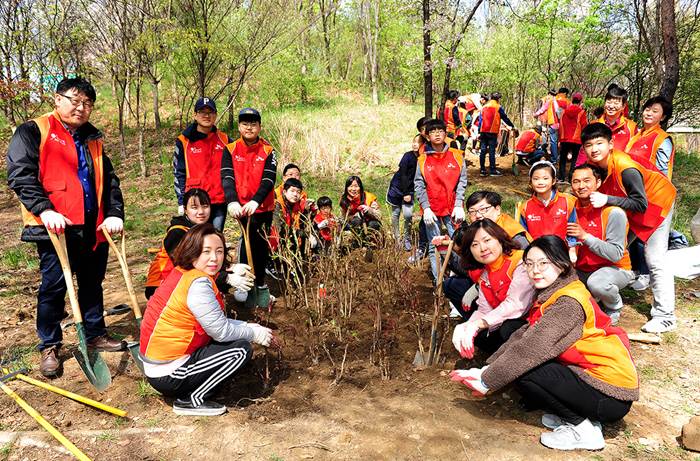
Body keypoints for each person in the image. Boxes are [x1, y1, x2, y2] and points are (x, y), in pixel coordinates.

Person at [451, 235, 638, 451]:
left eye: (543, 263)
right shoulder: (555, 292)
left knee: (524, 369)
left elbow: (530, 349)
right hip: (596, 384)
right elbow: (524, 335)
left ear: (562, 262)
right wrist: (488, 368)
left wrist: (487, 380)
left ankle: (583, 429)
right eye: (529, 264)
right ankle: (574, 416)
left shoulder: (568, 302)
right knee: (517, 353)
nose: (535, 270)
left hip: (610, 395)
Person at [7, 77, 126, 377]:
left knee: (91, 282)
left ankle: (95, 333)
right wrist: (44, 209)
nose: (81, 108)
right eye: (75, 100)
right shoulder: (34, 130)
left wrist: (114, 213)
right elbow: (21, 174)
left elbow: (109, 181)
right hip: (55, 228)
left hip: (92, 226)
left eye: (87, 103)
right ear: (57, 99)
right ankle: (50, 344)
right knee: (54, 287)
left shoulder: (93, 139)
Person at [140, 224, 267, 416]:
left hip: (160, 363)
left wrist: (248, 326)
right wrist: (253, 332)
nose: (214, 258)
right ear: (192, 252)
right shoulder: (198, 284)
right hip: (168, 373)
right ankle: (191, 400)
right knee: (240, 350)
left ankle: (199, 386)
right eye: (206, 251)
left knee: (233, 339)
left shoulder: (184, 273)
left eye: (219, 251)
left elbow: (215, 323)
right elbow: (221, 331)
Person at [582, 123, 677, 333]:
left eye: (599, 143)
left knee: (654, 257)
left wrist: (607, 199)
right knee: (614, 246)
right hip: (628, 206)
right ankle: (602, 291)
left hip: (656, 203)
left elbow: (641, 204)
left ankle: (665, 315)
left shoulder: (625, 167)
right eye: (589, 145)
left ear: (611, 144)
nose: (594, 149)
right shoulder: (594, 164)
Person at [451, 219, 535, 354]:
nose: (482, 248)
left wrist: (478, 324)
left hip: (534, 322)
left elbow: (516, 304)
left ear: (500, 238)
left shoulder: (520, 262)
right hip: (509, 319)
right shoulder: (486, 273)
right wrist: (466, 327)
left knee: (509, 328)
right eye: (475, 244)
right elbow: (484, 310)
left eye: (487, 240)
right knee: (478, 333)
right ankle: (497, 359)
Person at [222, 108, 277, 308]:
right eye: (245, 123)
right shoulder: (230, 149)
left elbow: (269, 179)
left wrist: (256, 201)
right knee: (245, 244)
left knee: (261, 246)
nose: (249, 127)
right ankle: (244, 286)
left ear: (259, 127)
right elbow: (227, 177)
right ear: (239, 126)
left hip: (262, 207)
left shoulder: (268, 150)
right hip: (240, 207)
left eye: (253, 124)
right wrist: (232, 201)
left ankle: (260, 285)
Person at [567, 164, 634, 324]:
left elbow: (615, 254)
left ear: (598, 183)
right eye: (576, 181)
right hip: (582, 269)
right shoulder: (571, 208)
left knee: (597, 283)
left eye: (586, 181)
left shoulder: (613, 212)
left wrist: (585, 236)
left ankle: (613, 306)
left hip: (615, 268)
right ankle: (594, 297)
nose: (581, 186)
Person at [624, 96, 675, 291]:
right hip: (635, 198)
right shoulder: (637, 135)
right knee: (624, 240)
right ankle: (635, 273)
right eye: (647, 108)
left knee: (655, 255)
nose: (648, 113)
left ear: (662, 117)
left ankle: (663, 310)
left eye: (655, 111)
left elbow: (661, 174)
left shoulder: (662, 139)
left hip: (655, 200)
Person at [414, 118, 468, 281]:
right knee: (434, 245)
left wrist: (459, 204)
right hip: (432, 209)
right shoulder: (422, 160)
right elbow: (419, 184)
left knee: (460, 244)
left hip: (452, 209)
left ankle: (461, 277)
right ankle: (440, 281)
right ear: (427, 136)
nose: (437, 135)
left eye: (440, 131)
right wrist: (426, 207)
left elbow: (462, 181)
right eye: (432, 132)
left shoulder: (457, 156)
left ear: (446, 134)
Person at [173, 97, 231, 231]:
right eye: (202, 112)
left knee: (215, 236)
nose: (206, 115)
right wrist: (182, 201)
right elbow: (178, 172)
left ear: (215, 115)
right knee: (196, 241)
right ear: (195, 115)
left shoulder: (225, 140)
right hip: (195, 201)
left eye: (210, 112)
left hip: (218, 201)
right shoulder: (183, 141)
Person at [145, 188, 212, 299]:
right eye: (194, 207)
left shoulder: (206, 230)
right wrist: (224, 277)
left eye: (205, 206)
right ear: (185, 210)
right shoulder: (177, 233)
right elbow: (186, 264)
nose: (201, 212)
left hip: (186, 280)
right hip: (161, 285)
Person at [516, 161, 578, 262]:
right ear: (530, 182)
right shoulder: (525, 207)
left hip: (562, 255)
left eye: (545, 178)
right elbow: (523, 234)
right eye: (536, 179)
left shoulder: (567, 202)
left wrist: (572, 248)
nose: (540, 182)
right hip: (537, 256)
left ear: (553, 181)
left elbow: (572, 228)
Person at [387, 135, 420, 250]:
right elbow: (404, 174)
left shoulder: (422, 158)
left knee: (408, 215)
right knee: (396, 213)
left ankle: (407, 238)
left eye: (418, 142)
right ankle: (397, 238)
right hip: (397, 188)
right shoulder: (407, 156)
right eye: (414, 142)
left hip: (409, 189)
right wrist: (406, 193)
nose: (415, 144)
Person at [466, 191, 531, 249]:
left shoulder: (512, 233)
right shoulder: (471, 231)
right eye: (472, 211)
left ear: (497, 209)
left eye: (483, 209)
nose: (478, 215)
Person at [271, 178, 311, 256]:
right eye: (292, 191)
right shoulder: (277, 205)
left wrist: (308, 211)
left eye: (298, 192)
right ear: (285, 192)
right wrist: (303, 234)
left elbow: (303, 224)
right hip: (276, 245)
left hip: (290, 243)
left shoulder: (297, 206)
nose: (295, 194)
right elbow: (280, 229)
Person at [479, 92, 514, 176]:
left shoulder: (484, 107)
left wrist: (478, 132)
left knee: (483, 150)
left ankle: (482, 170)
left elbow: (480, 120)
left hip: (483, 131)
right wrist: (512, 126)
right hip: (492, 132)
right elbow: (505, 118)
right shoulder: (498, 107)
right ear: (498, 99)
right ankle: (492, 170)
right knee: (491, 151)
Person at [597, 84, 638, 151]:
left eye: (616, 103)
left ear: (623, 106)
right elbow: (584, 152)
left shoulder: (631, 127)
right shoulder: (594, 125)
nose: (611, 106)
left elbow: (635, 151)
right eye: (609, 102)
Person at [558, 92, 588, 182]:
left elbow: (561, 126)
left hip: (564, 138)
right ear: (580, 101)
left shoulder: (564, 111)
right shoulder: (582, 112)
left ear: (572, 100)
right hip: (577, 140)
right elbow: (584, 126)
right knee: (575, 159)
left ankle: (561, 177)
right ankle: (571, 177)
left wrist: (560, 139)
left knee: (562, 158)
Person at [534, 89, 562, 164]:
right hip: (559, 124)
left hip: (553, 124)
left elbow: (542, 109)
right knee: (556, 141)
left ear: (549, 94)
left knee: (553, 142)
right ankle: (557, 157)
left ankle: (554, 159)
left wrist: (535, 114)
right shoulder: (557, 101)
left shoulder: (549, 102)